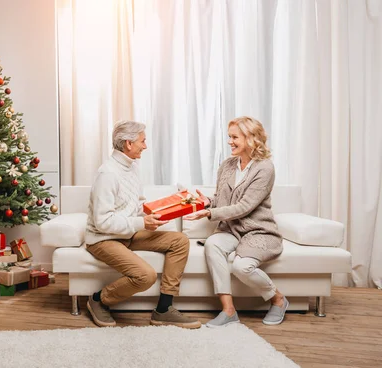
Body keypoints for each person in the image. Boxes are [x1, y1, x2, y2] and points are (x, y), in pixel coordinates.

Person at [85, 120, 201, 329]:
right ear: (129, 144)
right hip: (103, 240)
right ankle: (98, 300)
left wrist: (161, 210)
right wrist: (141, 223)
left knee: (179, 241)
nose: (145, 146)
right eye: (142, 141)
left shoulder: (132, 168)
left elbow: (135, 204)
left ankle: (164, 309)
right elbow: (102, 222)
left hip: (127, 235)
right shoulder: (108, 174)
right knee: (145, 276)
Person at [184, 116, 287, 327]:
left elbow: (244, 207)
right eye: (229, 137)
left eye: (234, 137)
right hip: (231, 229)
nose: (229, 141)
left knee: (242, 267)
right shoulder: (228, 165)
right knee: (212, 244)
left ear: (250, 138)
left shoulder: (265, 168)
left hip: (257, 230)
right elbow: (221, 200)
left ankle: (278, 299)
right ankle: (229, 310)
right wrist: (205, 202)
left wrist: (210, 214)